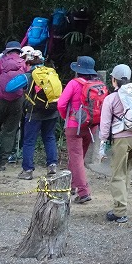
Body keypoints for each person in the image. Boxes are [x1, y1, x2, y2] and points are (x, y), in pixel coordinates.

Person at [97, 64, 132, 223]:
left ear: (113, 80)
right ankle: (122, 204)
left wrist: (102, 144)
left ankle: (120, 211)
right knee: (126, 171)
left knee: (118, 174)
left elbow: (105, 124)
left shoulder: (111, 98)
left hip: (122, 139)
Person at [57, 55, 105, 203]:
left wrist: (67, 118)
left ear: (78, 70)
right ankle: (71, 186)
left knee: (76, 157)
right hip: (91, 126)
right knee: (78, 156)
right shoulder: (98, 84)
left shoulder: (73, 83)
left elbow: (61, 104)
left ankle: (84, 192)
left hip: (74, 126)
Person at [0, 41, 28, 171]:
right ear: (19, 51)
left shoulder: (1, 62)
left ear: (7, 51)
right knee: (9, 131)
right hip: (17, 100)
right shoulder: (24, 64)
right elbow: (26, 82)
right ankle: (2, 163)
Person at [17, 47, 60, 180]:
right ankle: (52, 166)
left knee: (29, 141)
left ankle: (27, 170)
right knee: (49, 137)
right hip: (52, 110)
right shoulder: (50, 72)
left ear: (28, 63)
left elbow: (9, 87)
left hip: (34, 113)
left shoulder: (29, 75)